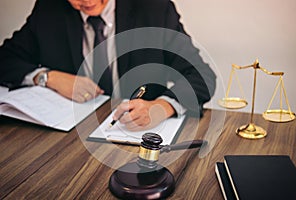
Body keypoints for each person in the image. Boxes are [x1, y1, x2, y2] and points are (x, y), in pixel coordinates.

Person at [0, 0, 216, 131]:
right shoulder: (50, 8)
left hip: (134, 137)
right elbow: (5, 59)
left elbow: (201, 76)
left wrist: (161, 107)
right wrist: (48, 77)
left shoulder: (154, 8)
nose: (86, 1)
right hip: (68, 136)